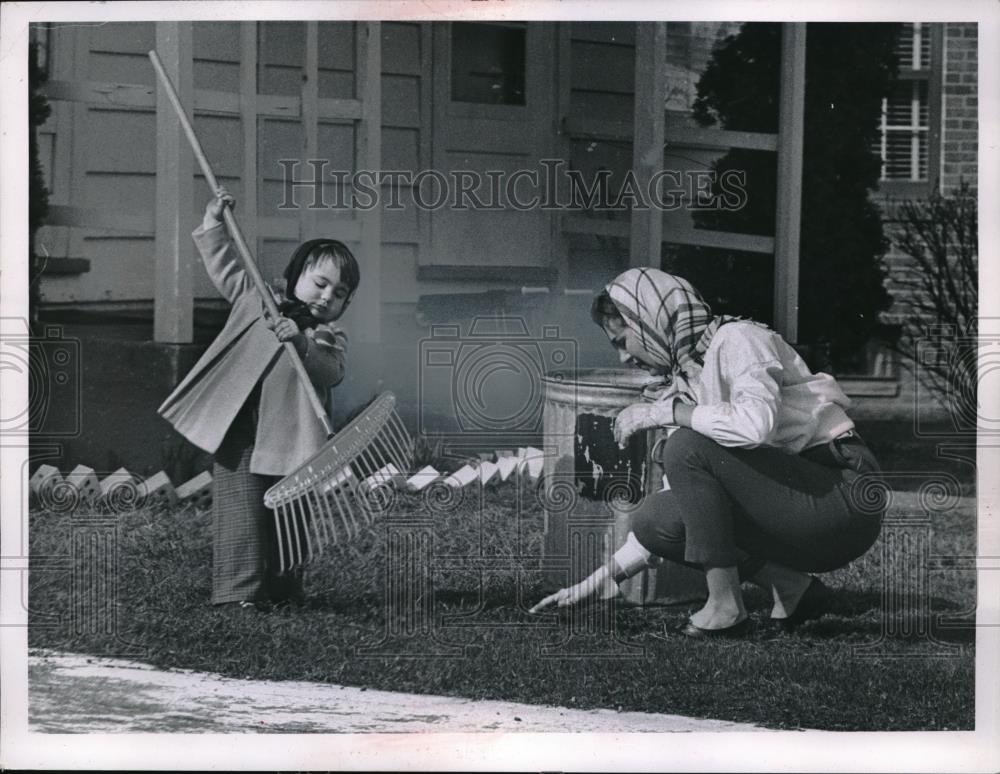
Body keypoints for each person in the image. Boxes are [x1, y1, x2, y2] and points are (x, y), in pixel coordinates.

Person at [531, 267, 884, 637]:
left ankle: (725, 606)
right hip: (797, 505)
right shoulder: (683, 381)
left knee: (685, 445)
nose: (623, 359)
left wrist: (667, 413)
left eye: (622, 341)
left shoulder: (738, 339)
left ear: (649, 319)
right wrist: (606, 578)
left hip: (844, 495)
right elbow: (689, 504)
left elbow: (755, 425)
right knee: (656, 519)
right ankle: (794, 588)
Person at [158, 188, 359, 610]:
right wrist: (213, 220)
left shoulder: (325, 336)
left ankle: (285, 591)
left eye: (339, 293)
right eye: (320, 283)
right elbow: (226, 267)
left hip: (292, 438)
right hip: (240, 426)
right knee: (240, 513)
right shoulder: (260, 300)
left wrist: (303, 344)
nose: (326, 296)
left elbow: (332, 371)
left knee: (289, 516)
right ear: (295, 276)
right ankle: (237, 596)